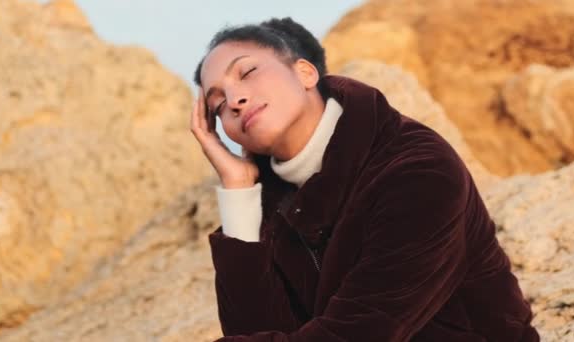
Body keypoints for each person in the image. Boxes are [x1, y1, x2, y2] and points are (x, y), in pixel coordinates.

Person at [190, 17, 539, 342]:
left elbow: (363, 331)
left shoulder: (417, 170)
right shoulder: (270, 202)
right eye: (218, 104)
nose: (234, 100)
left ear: (305, 73)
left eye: (248, 71)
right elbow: (255, 330)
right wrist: (238, 193)